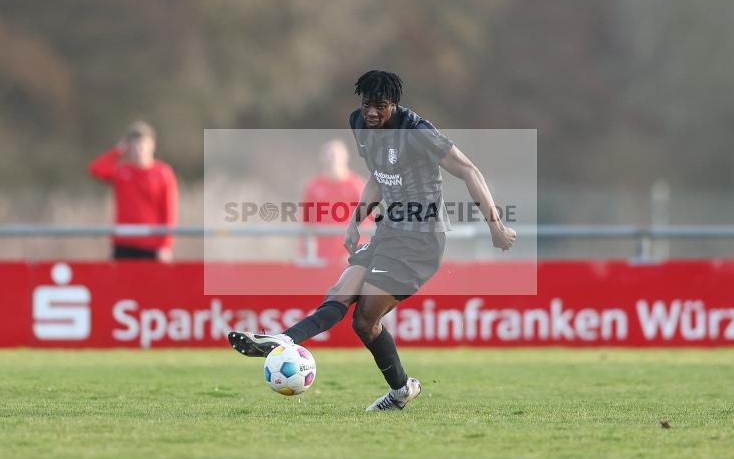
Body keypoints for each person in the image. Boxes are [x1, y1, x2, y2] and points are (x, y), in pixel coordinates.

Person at [228, 70, 516, 412]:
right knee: (342, 294)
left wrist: (495, 225)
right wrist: (355, 220)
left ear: (394, 104)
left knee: (364, 319)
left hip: (420, 241)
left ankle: (398, 389)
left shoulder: (417, 132)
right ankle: (286, 340)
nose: (372, 113)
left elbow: (469, 170)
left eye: (380, 106)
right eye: (367, 104)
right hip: (388, 232)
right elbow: (379, 177)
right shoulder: (359, 124)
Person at [88, 121, 178, 261]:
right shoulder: (122, 172)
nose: (139, 150)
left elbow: (169, 212)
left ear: (152, 145)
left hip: (152, 245)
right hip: (124, 244)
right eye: (134, 145)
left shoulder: (163, 173)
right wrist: (117, 151)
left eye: (142, 145)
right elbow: (96, 168)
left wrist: (166, 245)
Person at [301, 139, 366, 265]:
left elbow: (365, 224)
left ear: (346, 156)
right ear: (322, 158)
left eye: (336, 154)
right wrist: (307, 252)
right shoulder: (313, 187)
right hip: (321, 256)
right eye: (328, 154)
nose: (332, 158)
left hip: (348, 257)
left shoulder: (357, 186)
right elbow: (307, 222)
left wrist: (354, 252)